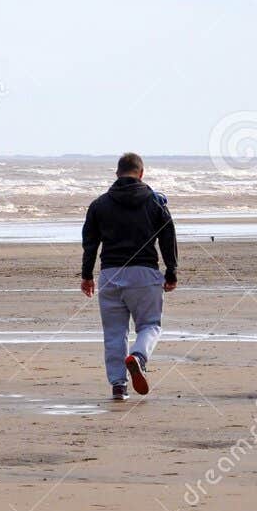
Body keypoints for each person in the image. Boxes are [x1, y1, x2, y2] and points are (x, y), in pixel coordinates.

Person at [80, 152, 179, 401]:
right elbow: (169, 237)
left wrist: (87, 275)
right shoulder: (156, 202)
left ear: (117, 173)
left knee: (114, 332)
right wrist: (171, 271)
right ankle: (138, 356)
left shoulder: (99, 204)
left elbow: (90, 243)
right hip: (144, 273)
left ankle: (118, 386)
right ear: (141, 173)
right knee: (150, 325)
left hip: (110, 273)